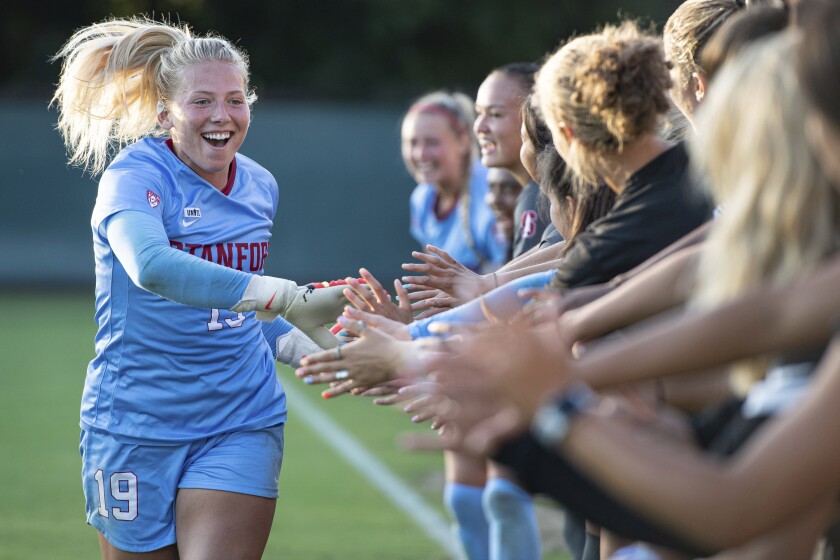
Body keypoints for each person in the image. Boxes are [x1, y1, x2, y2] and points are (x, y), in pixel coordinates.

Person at [419, 19, 840, 558]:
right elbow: (758, 309)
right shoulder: (779, 237)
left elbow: (736, 507)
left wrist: (553, 406)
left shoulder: (672, 195)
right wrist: (568, 377)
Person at [50, 16, 348, 558]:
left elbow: (238, 310)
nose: (221, 116)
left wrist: (313, 346)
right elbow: (152, 267)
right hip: (133, 422)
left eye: (235, 100)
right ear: (165, 115)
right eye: (202, 101)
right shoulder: (134, 177)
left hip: (240, 417)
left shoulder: (260, 185)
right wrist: (286, 296)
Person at [402, 91, 508, 275]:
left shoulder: (494, 189)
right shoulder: (422, 199)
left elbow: (510, 271)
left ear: (464, 141)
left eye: (432, 142)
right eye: (412, 143)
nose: (420, 154)